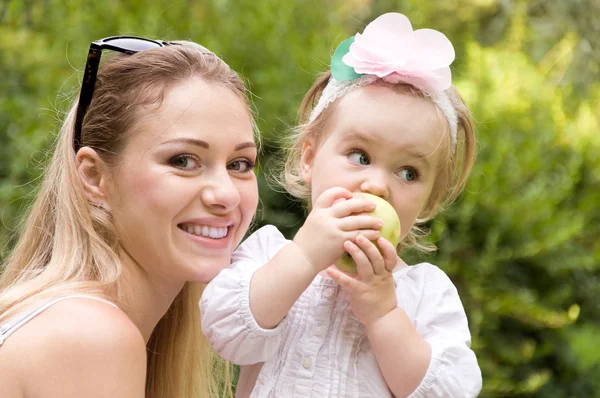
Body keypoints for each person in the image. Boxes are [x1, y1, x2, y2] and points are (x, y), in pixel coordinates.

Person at [201, 12, 482, 397]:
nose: (377, 185)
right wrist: (305, 257)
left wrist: (384, 314)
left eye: (408, 173)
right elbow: (226, 333)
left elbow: (447, 391)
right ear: (310, 158)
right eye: (360, 156)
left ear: (430, 200)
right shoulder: (269, 254)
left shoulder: (425, 294)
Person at [0, 36, 259, 397]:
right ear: (94, 177)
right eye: (183, 161)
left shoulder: (86, 326)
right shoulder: (90, 337)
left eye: (239, 164)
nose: (227, 194)